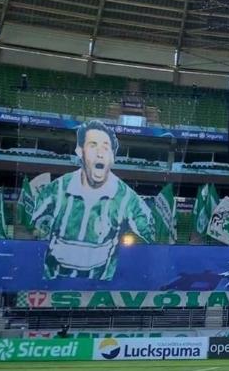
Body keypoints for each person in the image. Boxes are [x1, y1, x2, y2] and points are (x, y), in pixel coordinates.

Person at [30, 120, 154, 280]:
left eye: (105, 147)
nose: (100, 153)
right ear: (80, 151)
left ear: (112, 157)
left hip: (100, 285)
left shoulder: (129, 199)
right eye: (93, 145)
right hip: (53, 282)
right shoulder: (55, 191)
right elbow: (31, 234)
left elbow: (151, 242)